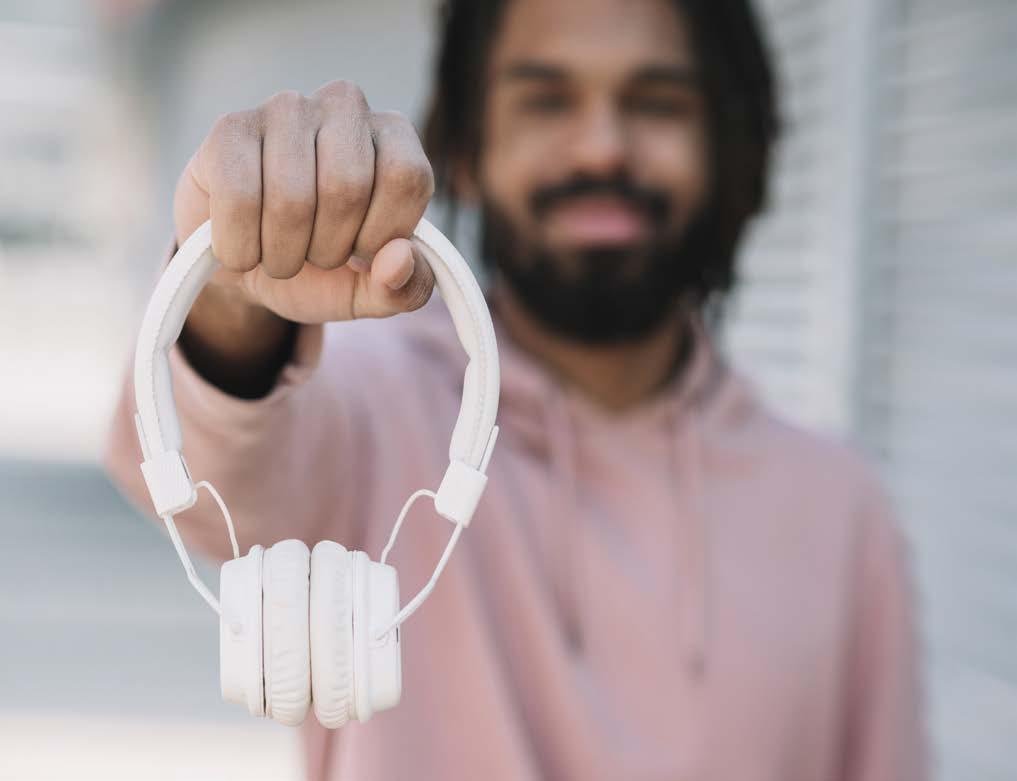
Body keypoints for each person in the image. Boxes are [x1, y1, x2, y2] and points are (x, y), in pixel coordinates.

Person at [103, 0, 928, 778]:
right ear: (465, 145)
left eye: (657, 103)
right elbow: (194, 461)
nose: (601, 147)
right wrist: (231, 298)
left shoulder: (841, 510)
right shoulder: (373, 407)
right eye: (545, 101)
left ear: (728, 149)